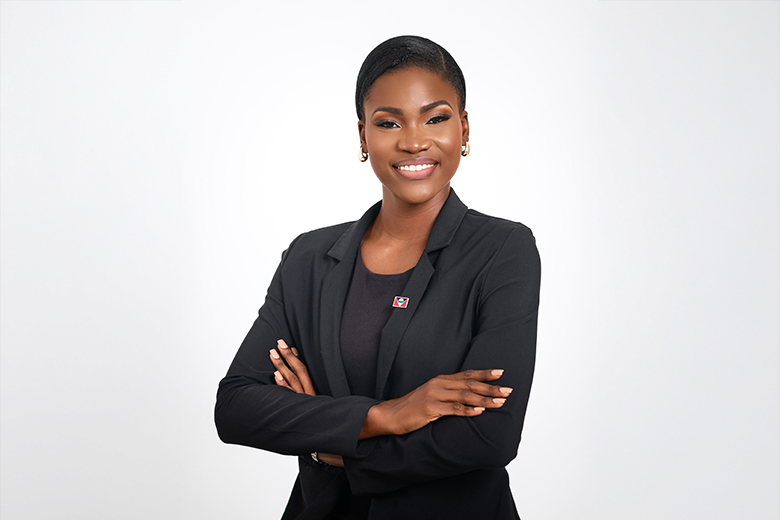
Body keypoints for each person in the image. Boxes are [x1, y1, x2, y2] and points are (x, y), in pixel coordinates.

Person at [215, 35, 541, 520]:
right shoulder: (308, 257)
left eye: (436, 118)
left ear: (464, 128)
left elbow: (487, 436)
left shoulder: (502, 251)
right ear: (364, 136)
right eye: (389, 122)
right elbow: (238, 407)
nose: (414, 140)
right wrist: (385, 416)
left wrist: (332, 445)